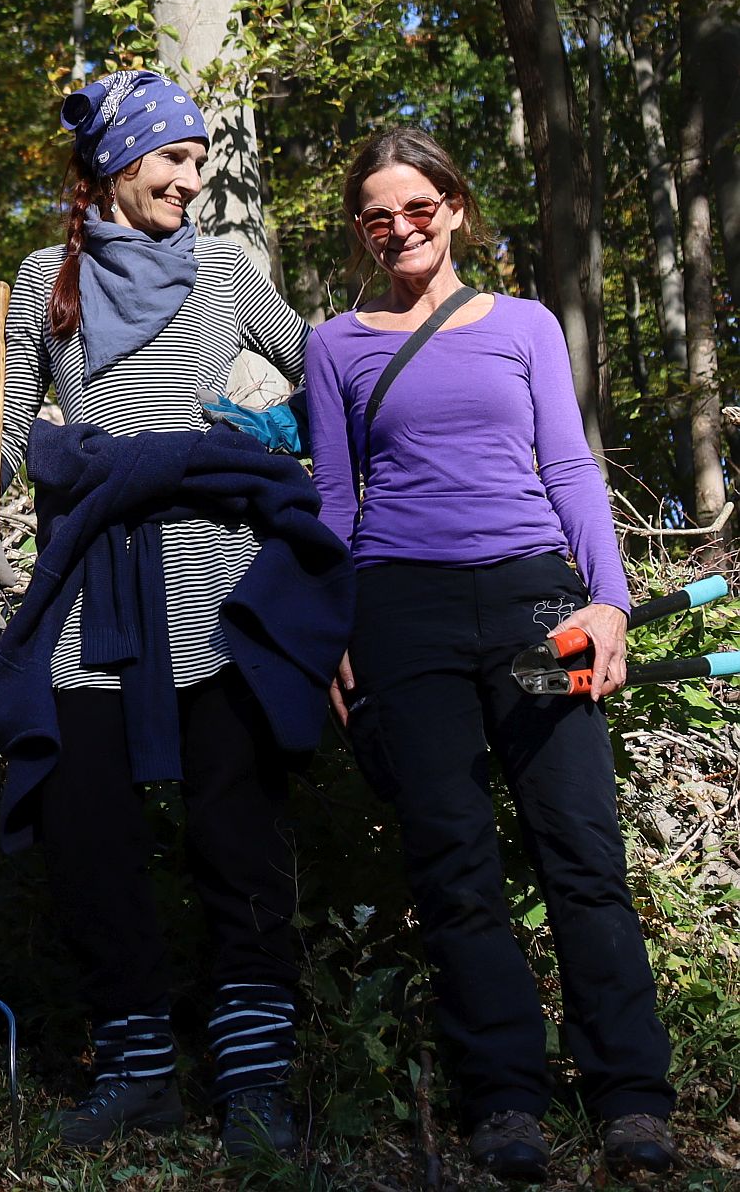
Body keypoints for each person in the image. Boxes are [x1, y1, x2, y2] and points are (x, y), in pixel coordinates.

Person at [0, 70, 318, 1157]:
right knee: (84, 823)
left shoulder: (224, 267)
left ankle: (252, 1080)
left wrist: (282, 424)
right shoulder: (39, 277)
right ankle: (138, 1066)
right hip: (93, 575)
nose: (191, 180)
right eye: (174, 159)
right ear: (114, 165)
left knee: (236, 829)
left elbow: (325, 370)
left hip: (215, 575)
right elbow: (8, 431)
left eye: (199, 161)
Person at [304, 128, 677, 1182]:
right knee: (453, 862)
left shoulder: (524, 326)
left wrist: (608, 601)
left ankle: (629, 1097)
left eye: (417, 208)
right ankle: (505, 1100)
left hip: (533, 601)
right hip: (399, 613)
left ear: (455, 209)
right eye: (377, 216)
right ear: (360, 232)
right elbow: (334, 500)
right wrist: (332, 629)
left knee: (581, 850)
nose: (400, 230)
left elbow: (568, 464)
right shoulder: (335, 345)